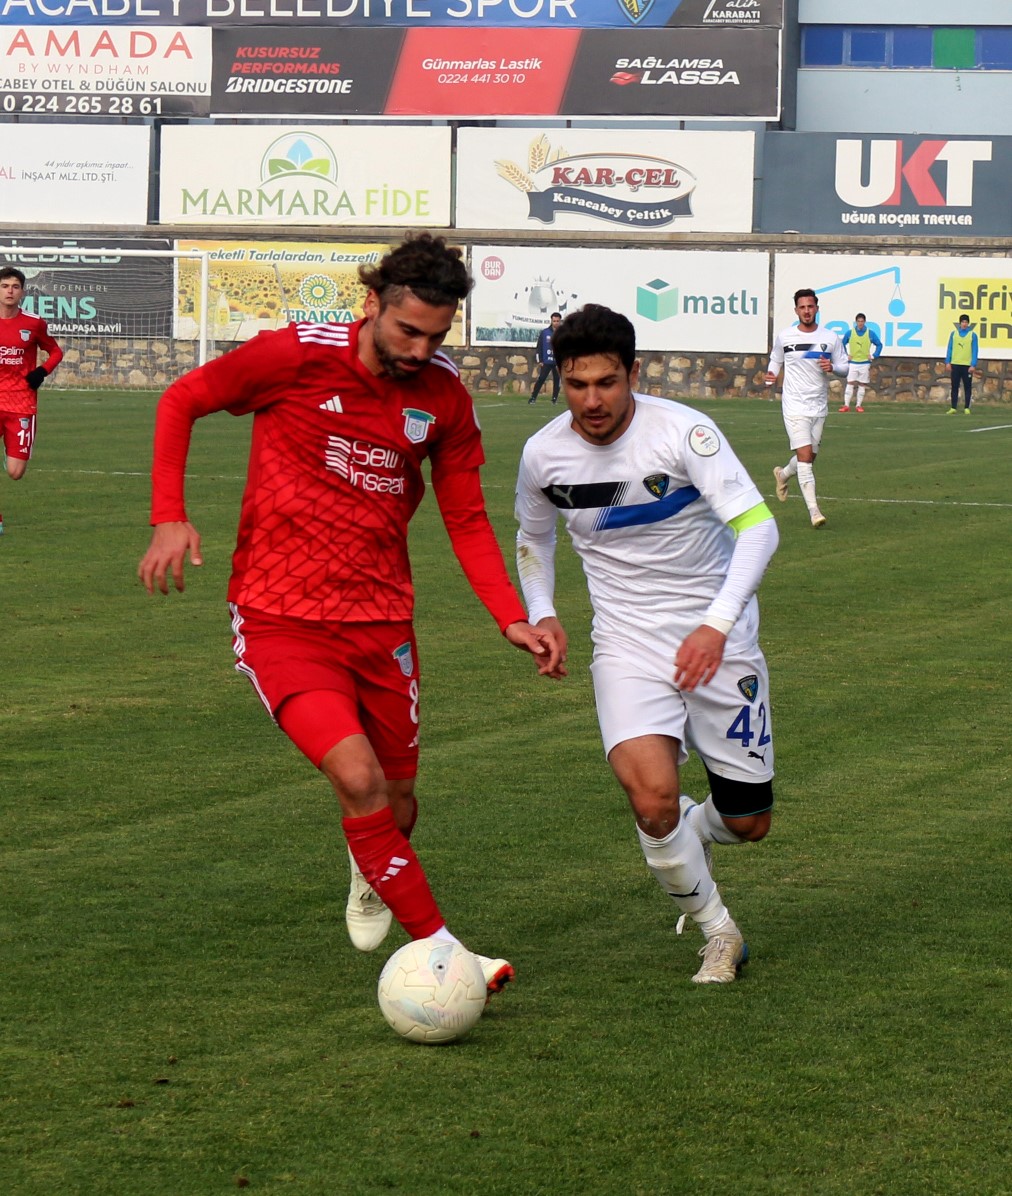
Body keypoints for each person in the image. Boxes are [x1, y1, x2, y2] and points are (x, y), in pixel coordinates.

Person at [138, 233, 564, 997]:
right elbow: (184, 399)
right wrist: (169, 514)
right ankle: (449, 951)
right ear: (373, 304)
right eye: (408, 330)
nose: (420, 348)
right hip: (280, 616)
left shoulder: (444, 399)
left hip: (382, 623)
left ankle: (372, 869)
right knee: (359, 778)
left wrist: (511, 616)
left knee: (397, 802)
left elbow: (466, 519)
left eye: (437, 336)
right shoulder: (293, 356)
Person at [514, 304, 779, 985]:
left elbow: (758, 529)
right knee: (650, 801)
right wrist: (543, 611)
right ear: (560, 379)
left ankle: (695, 831)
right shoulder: (544, 455)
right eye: (577, 385)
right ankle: (720, 933)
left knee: (749, 823)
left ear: (635, 372)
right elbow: (534, 538)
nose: (592, 401)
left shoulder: (684, 432)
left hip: (718, 640)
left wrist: (715, 624)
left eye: (607, 382)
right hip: (627, 645)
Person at [766, 288, 848, 529]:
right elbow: (776, 359)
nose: (806, 311)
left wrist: (832, 366)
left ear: (817, 309)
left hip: (818, 406)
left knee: (809, 456)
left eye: (810, 307)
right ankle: (814, 511)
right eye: (802, 307)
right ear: (796, 310)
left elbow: (845, 367)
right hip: (793, 405)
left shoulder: (830, 338)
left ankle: (782, 475)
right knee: (804, 457)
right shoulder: (786, 337)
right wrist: (772, 373)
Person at [0, 265, 64, 534]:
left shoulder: (33, 323)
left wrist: (41, 372)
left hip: (22, 404)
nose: (9, 291)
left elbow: (56, 352)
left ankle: (10, 453)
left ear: (23, 291)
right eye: (4, 286)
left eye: (15, 286)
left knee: (16, 472)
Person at [839, 312, 882, 413]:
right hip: (853, 362)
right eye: (858, 321)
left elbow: (879, 344)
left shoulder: (870, 333)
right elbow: (842, 344)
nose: (860, 323)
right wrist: (846, 355)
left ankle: (858, 405)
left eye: (862, 321)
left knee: (862, 384)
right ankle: (846, 405)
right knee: (850, 382)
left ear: (865, 322)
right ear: (856, 322)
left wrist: (874, 355)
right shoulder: (850, 333)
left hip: (864, 362)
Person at [945, 315, 978, 414]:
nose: (964, 324)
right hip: (955, 364)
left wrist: (973, 364)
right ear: (960, 323)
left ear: (968, 323)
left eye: (966, 322)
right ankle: (953, 407)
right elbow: (950, 348)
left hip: (967, 365)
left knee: (967, 387)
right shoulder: (953, 334)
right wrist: (947, 362)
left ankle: (967, 407)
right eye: (963, 322)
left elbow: (975, 350)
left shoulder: (972, 335)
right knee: (954, 386)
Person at [528, 312, 561, 405]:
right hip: (546, 361)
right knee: (541, 379)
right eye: (554, 321)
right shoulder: (545, 332)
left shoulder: (563, 333)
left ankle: (554, 399)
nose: (556, 323)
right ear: (551, 321)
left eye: (558, 321)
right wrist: (540, 360)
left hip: (557, 362)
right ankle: (533, 397)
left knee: (557, 380)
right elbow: (539, 347)